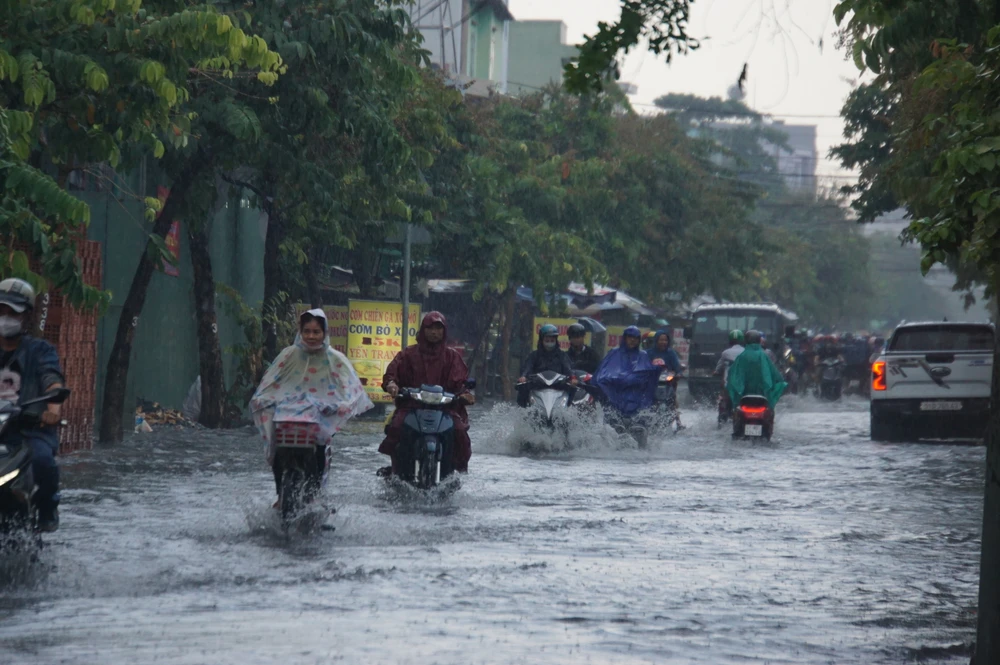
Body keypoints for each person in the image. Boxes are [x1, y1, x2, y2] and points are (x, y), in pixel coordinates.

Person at [251, 309, 373, 500]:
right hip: (287, 416)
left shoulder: (335, 359)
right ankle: (279, 495)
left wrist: (344, 404)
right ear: (300, 331)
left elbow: (350, 387)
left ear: (324, 332)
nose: (311, 336)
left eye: (316, 332)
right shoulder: (288, 355)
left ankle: (317, 497)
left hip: (318, 418)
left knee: (320, 452)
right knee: (277, 452)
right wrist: (262, 399)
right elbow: (270, 383)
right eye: (307, 331)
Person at [0, 278, 65, 532]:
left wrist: (52, 410)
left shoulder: (39, 350)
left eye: (12, 312)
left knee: (43, 462)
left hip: (28, 431)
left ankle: (48, 507)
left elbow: (51, 379)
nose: (6, 317)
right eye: (1, 310)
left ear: (26, 315)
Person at [380, 312, 475, 474]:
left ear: (444, 331)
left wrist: (466, 394)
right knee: (395, 427)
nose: (434, 332)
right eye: (430, 328)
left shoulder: (452, 356)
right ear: (423, 330)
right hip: (412, 406)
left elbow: (461, 383)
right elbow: (391, 374)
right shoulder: (408, 354)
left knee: (460, 432)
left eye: (438, 328)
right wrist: (391, 385)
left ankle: (457, 468)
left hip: (445, 409)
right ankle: (397, 467)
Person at [593, 326, 661, 418]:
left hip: (636, 396)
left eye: (636, 338)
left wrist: (657, 369)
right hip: (615, 395)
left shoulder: (643, 355)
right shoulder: (614, 353)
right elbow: (601, 376)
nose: (632, 340)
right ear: (625, 338)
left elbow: (648, 375)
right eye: (630, 337)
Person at [726, 329, 787, 410]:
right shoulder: (763, 355)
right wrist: (781, 381)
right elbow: (773, 372)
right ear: (759, 341)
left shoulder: (742, 356)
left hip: (744, 392)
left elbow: (732, 373)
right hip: (762, 392)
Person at [517, 324, 574, 406]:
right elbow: (528, 367)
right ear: (541, 340)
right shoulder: (534, 355)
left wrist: (572, 378)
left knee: (573, 390)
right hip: (538, 386)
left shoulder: (562, 355)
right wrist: (524, 377)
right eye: (547, 340)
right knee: (522, 389)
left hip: (558, 387)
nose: (550, 342)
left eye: (552, 340)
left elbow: (568, 368)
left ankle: (570, 411)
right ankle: (524, 412)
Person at [714, 329, 745, 416]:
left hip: (728, 385)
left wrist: (716, 372)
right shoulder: (746, 352)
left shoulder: (726, 353)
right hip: (743, 385)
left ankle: (723, 412)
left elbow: (718, 368)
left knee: (723, 399)